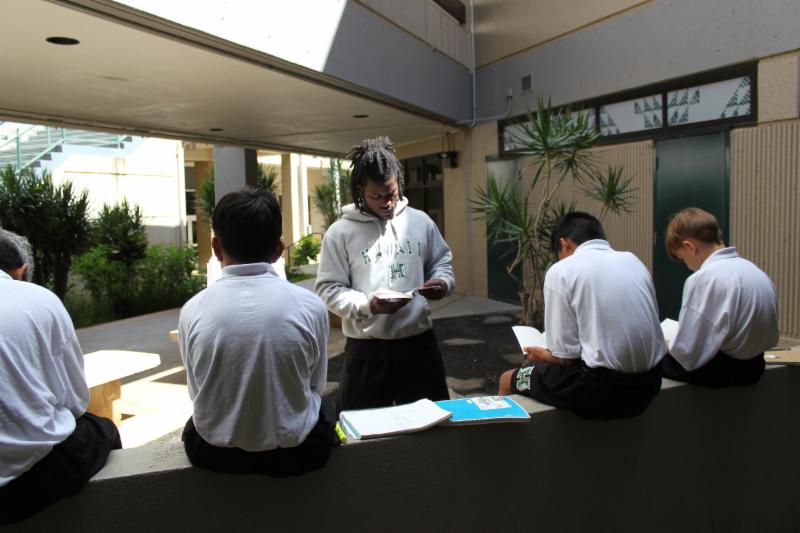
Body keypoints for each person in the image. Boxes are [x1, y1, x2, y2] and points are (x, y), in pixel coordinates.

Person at [179, 187, 337, 476]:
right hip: (296, 454)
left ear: (216, 249)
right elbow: (314, 384)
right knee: (326, 408)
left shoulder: (193, 309)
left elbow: (197, 390)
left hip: (214, 455)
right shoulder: (310, 305)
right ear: (279, 250)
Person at [315, 136, 455, 411]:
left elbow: (442, 263)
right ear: (360, 190)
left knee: (432, 425)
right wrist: (368, 306)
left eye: (390, 194)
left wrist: (442, 283)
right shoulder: (340, 232)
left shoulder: (420, 221)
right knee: (361, 428)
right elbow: (329, 288)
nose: (386, 202)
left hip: (418, 344)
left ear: (398, 184)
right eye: (376, 196)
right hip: (367, 348)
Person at [0, 229, 121, 525]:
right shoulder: (39, 300)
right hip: (27, 482)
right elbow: (75, 401)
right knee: (103, 429)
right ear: (22, 271)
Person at [498, 212, 665, 419]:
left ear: (564, 244)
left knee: (507, 379)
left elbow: (566, 359)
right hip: (651, 383)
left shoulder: (562, 270)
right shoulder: (633, 262)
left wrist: (543, 355)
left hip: (603, 390)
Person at [661, 207, 778, 387]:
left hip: (724, 372)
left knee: (649, 359)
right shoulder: (755, 271)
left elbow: (688, 353)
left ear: (689, 246)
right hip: (755, 366)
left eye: (682, 258)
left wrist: (665, 342)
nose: (687, 266)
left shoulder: (705, 278)